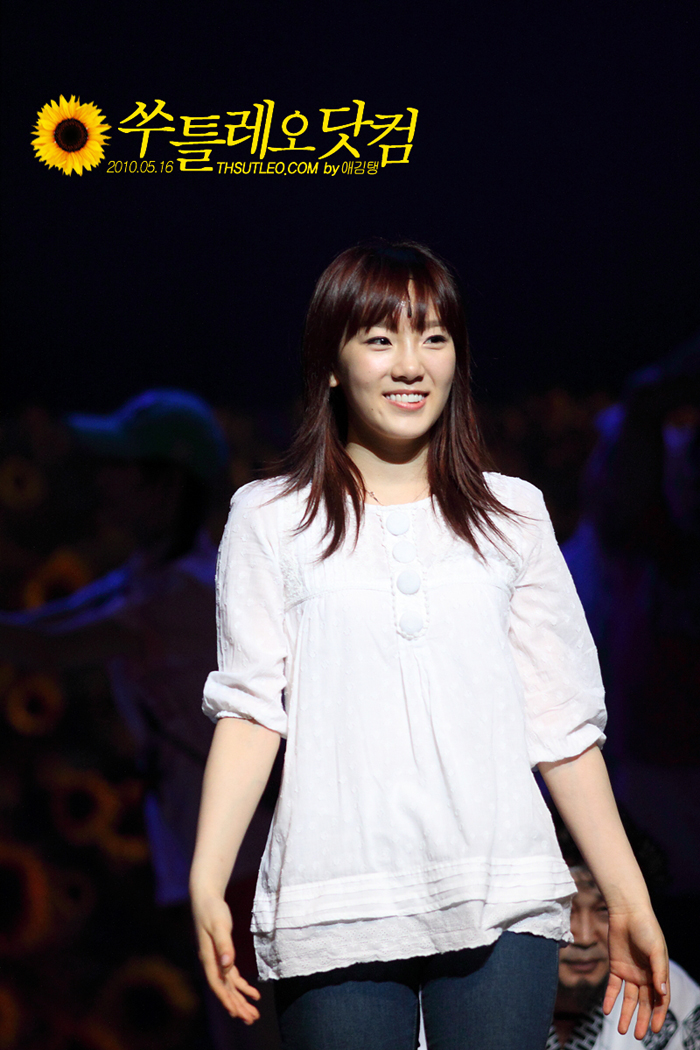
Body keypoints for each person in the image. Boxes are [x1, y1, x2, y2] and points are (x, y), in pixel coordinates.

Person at [190, 242, 669, 1050]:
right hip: (335, 895)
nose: (410, 364)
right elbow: (250, 711)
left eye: (434, 337)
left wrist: (626, 893)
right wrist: (209, 876)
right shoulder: (270, 518)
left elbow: (562, 724)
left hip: (501, 889)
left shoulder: (514, 515)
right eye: (380, 339)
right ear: (332, 362)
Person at [549, 814, 700, 1049]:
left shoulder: (664, 989)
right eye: (566, 910)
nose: (585, 938)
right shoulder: (495, 990)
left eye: (604, 910)